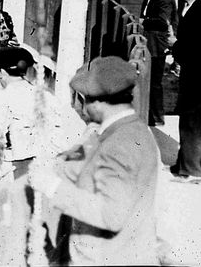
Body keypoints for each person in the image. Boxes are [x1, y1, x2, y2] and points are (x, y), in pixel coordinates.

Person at [28, 57, 161, 266]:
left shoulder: (118, 144)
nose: (82, 108)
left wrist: (52, 186)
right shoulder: (132, 129)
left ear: (97, 102)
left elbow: (111, 214)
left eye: (82, 100)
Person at [0, 47, 83, 187]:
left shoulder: (1, 99)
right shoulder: (47, 96)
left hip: (18, 169)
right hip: (48, 168)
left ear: (2, 73)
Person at [169, 0, 201, 180]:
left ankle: (192, 169)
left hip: (198, 73)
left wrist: (175, 44)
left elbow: (196, 45)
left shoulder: (199, 10)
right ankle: (183, 164)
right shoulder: (190, 6)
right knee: (188, 118)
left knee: (193, 120)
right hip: (192, 69)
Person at [140, 0, 177, 126]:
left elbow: (163, 22)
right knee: (148, 79)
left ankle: (156, 117)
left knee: (154, 82)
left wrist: (144, 22)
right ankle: (149, 115)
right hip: (150, 41)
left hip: (157, 44)